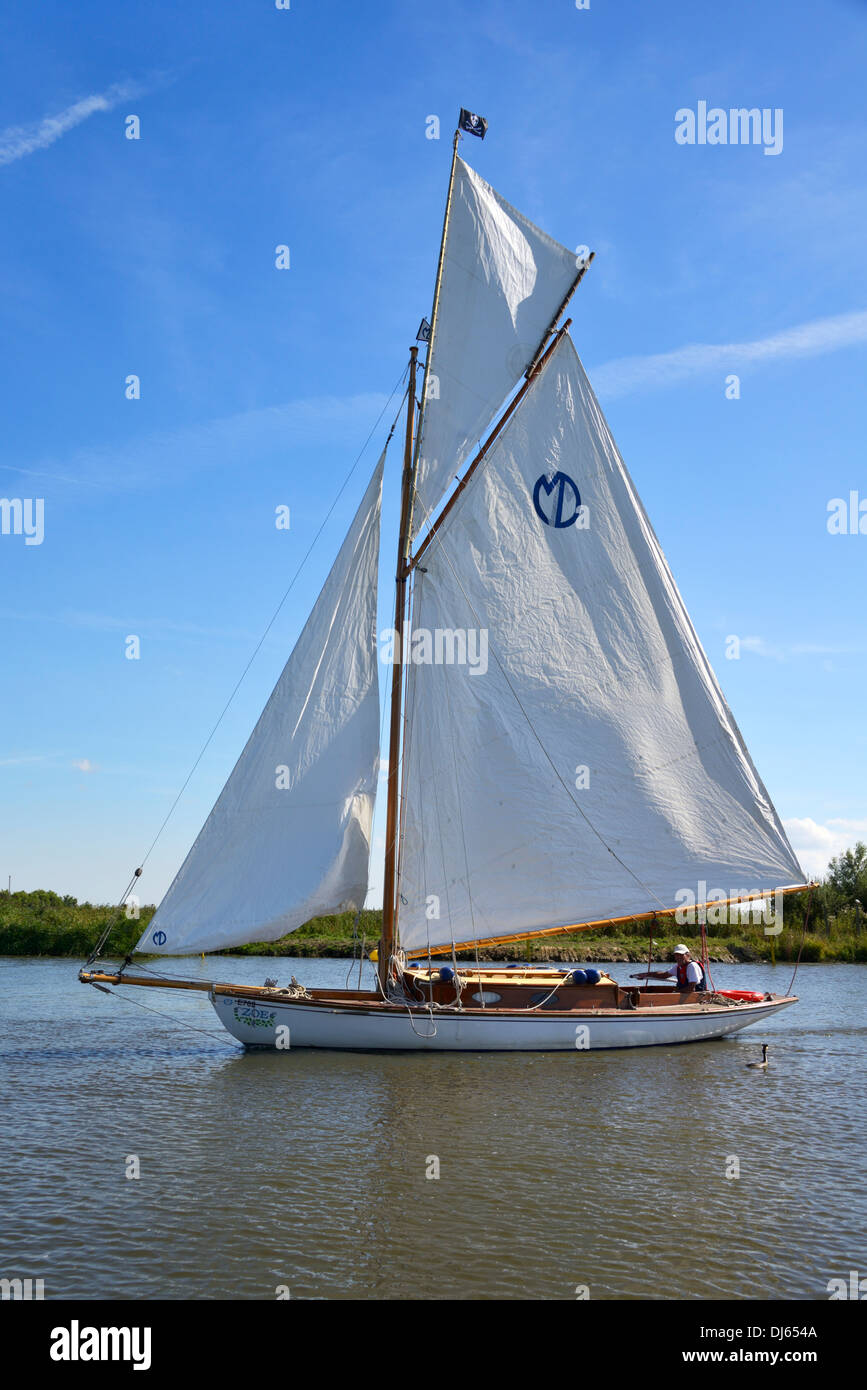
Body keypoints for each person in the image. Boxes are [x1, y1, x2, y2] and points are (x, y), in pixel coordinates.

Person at [631, 944, 706, 993]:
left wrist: (676, 992)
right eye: (676, 955)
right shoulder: (678, 967)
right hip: (683, 995)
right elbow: (664, 975)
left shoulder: (692, 966)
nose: (678, 957)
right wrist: (646, 974)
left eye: (681, 955)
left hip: (696, 998)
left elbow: (691, 989)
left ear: (688, 955)